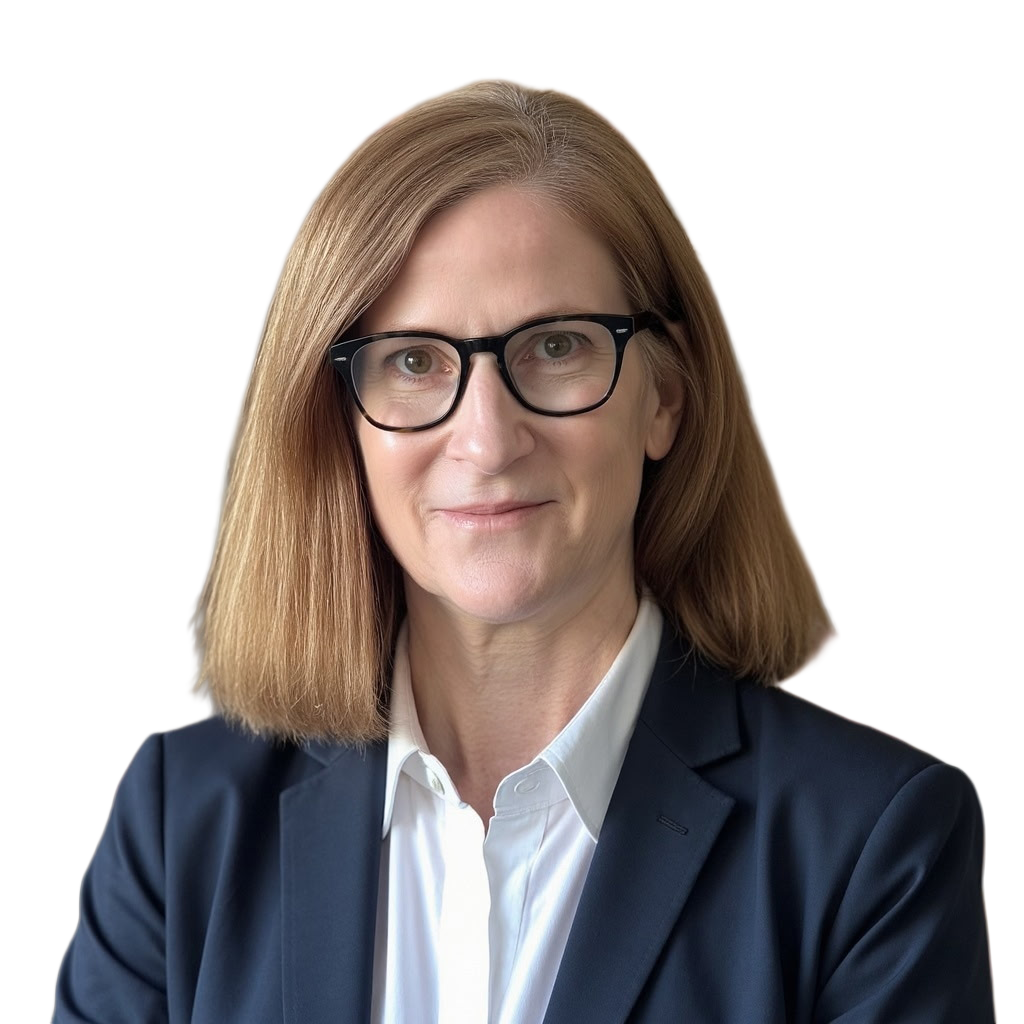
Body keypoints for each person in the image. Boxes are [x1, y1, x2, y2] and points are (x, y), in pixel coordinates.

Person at [52, 78, 996, 1023]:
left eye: (555, 347)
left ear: (665, 398)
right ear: (340, 424)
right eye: (413, 361)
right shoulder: (179, 821)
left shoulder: (873, 842)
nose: (488, 441)